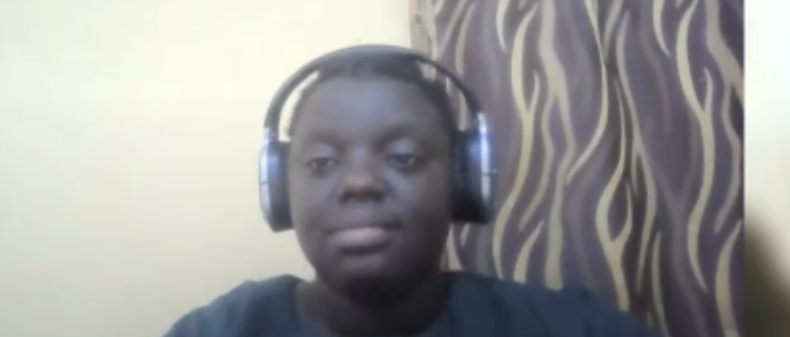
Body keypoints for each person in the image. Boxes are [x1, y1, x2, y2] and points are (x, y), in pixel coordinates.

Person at [162, 49, 655, 336]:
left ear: (463, 180)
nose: (359, 183)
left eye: (403, 157)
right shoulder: (222, 331)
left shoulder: (564, 327)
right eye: (321, 162)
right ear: (281, 189)